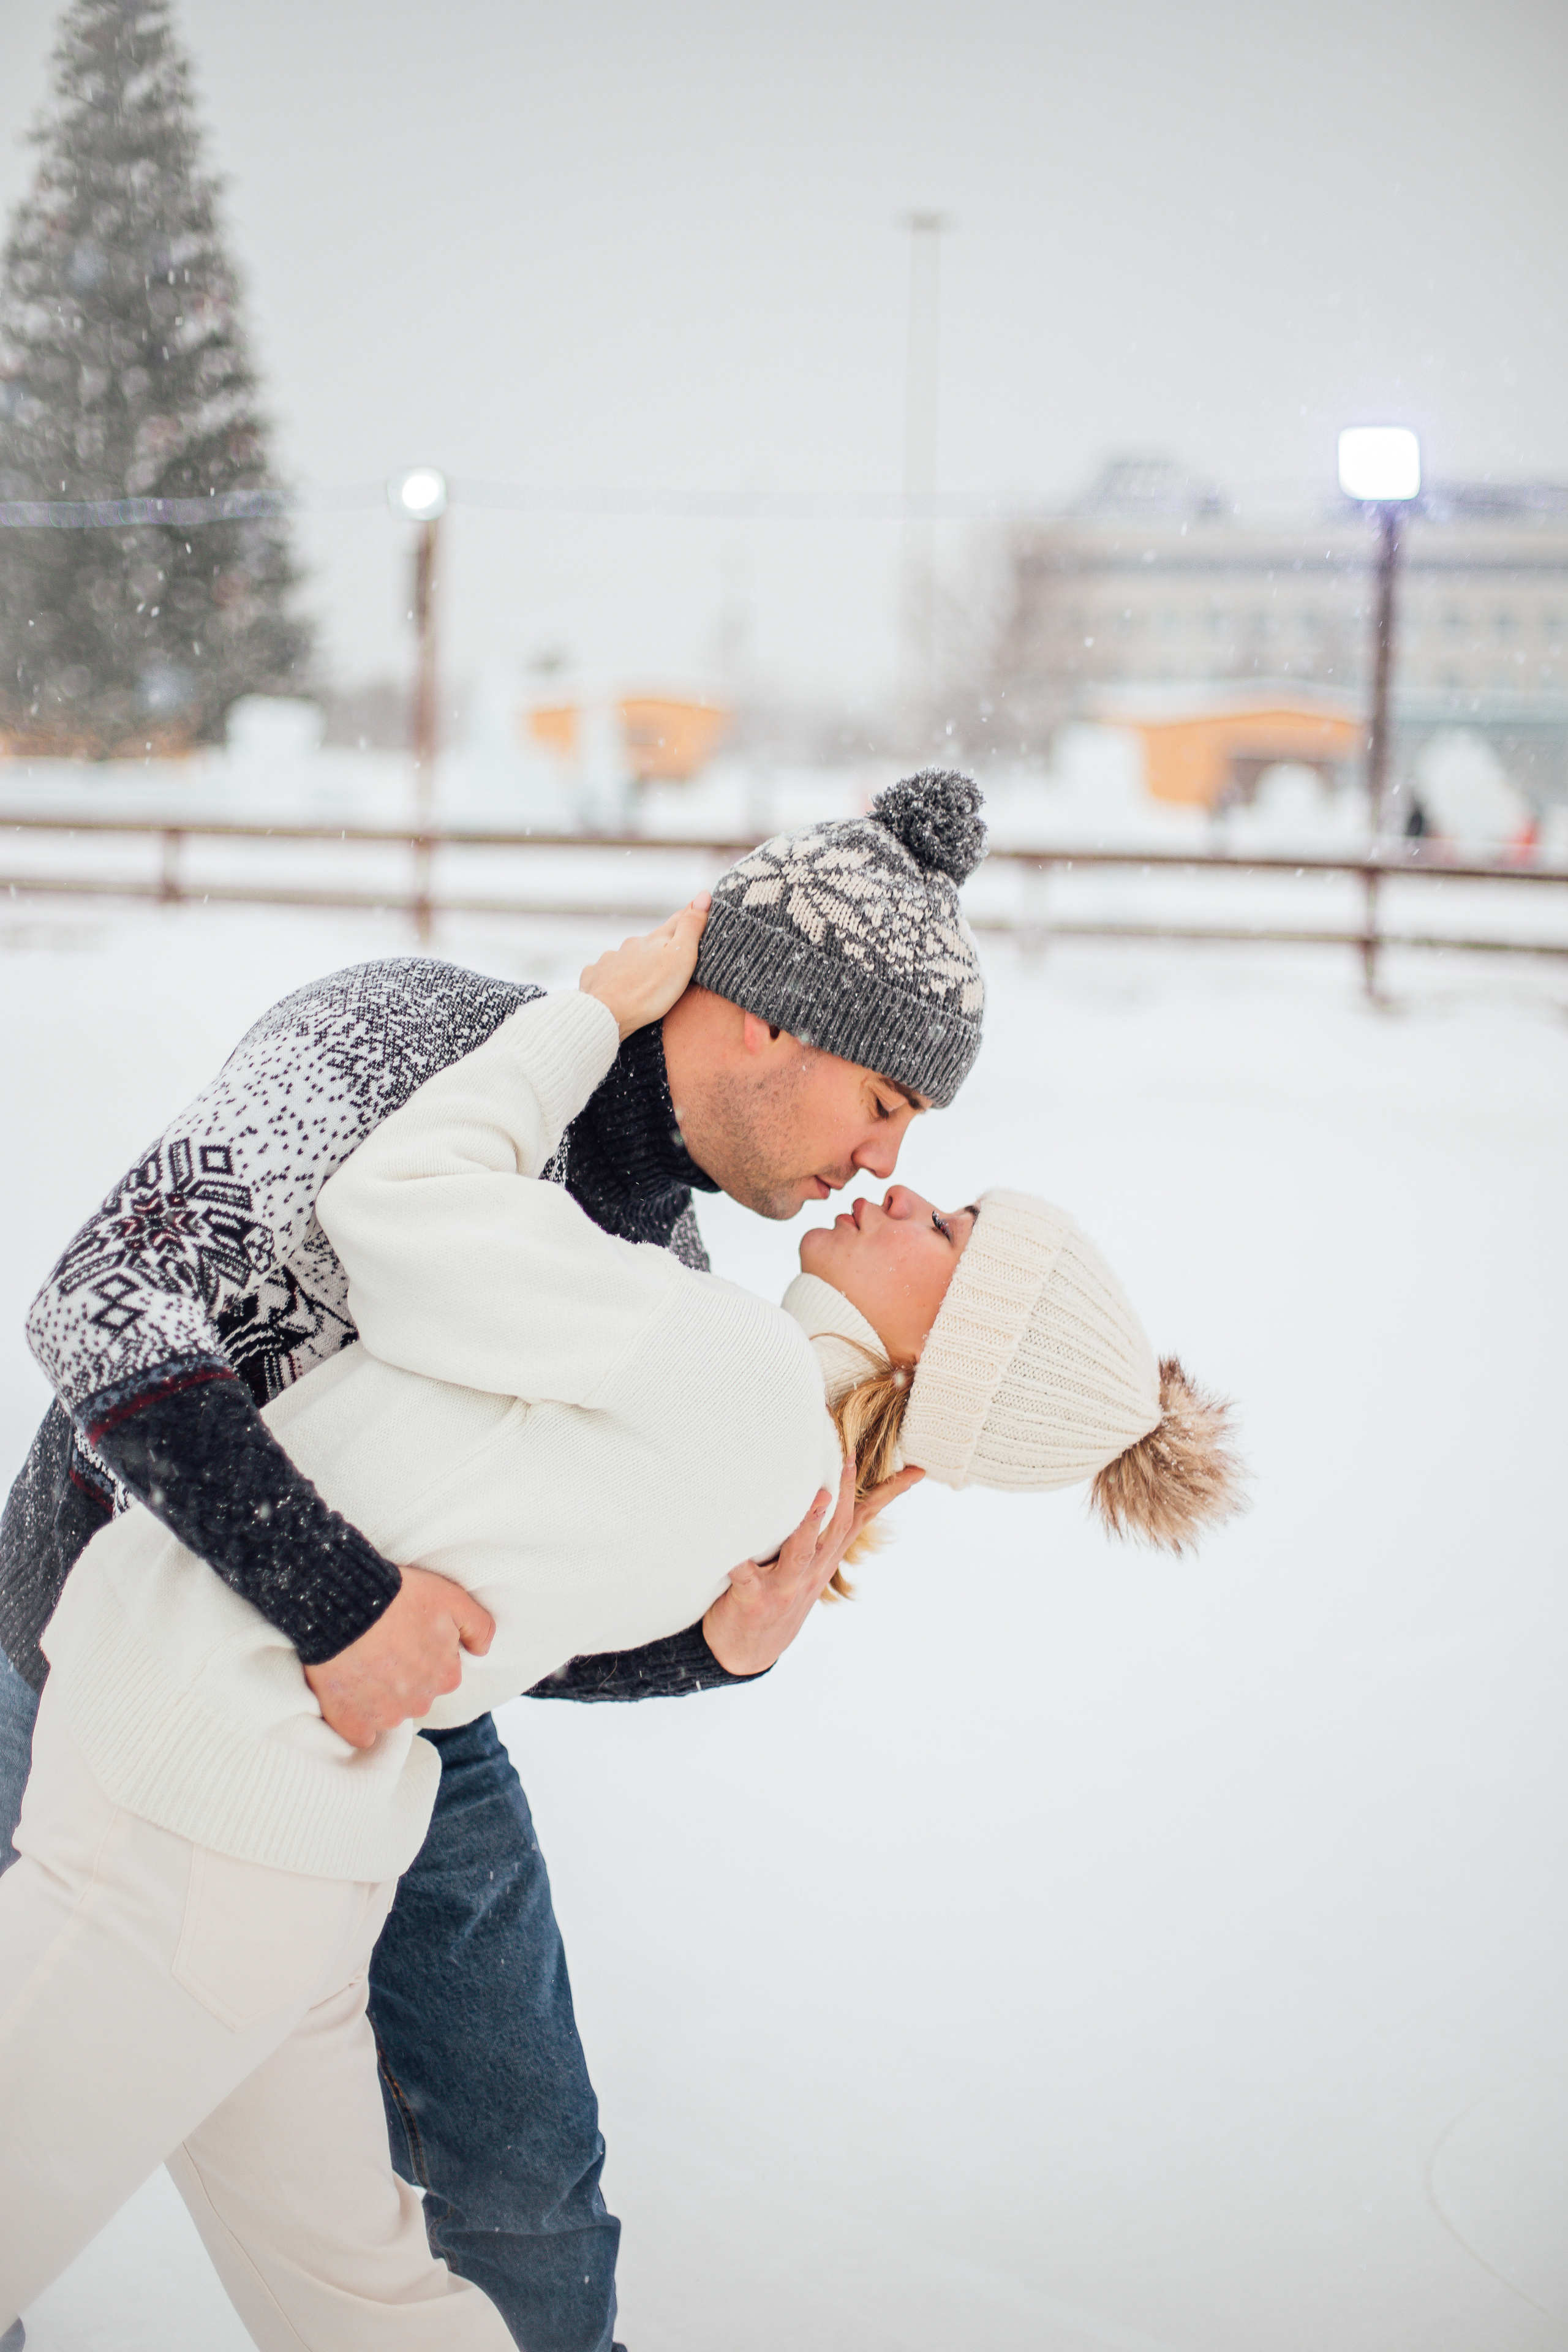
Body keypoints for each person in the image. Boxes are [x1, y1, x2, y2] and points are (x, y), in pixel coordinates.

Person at [0, 909, 1242, 2346]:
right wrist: (706, 1653)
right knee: (366, 2306)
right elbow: (514, 1583)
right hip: (289, 1832)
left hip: (198, 1793)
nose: (900, 1185)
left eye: (949, 1229)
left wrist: (584, 1014)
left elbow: (402, 1212)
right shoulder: (770, 1455)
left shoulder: (729, 1369)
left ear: (953, 1349)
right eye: (888, 1111)